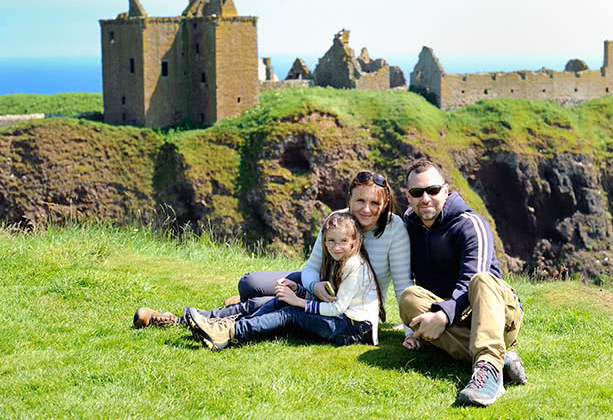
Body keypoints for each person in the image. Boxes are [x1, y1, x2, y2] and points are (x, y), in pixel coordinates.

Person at [134, 171, 413, 337]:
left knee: (265, 304)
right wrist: (313, 285)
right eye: (360, 200)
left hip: (347, 304)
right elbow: (311, 267)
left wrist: (410, 332)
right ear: (349, 199)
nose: (366, 209)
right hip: (320, 288)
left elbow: (403, 286)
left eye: (374, 202)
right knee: (249, 284)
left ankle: (181, 319)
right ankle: (204, 315)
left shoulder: (394, 228)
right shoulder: (338, 220)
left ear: (385, 203)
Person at [398, 159, 526, 407]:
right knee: (409, 298)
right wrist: (413, 330)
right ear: (408, 196)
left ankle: (489, 369)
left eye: (433, 190)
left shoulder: (470, 224)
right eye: (417, 192)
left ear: (445, 190)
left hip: (493, 312)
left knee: (482, 279)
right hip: (452, 316)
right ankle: (501, 360)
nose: (425, 198)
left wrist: (442, 316)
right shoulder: (409, 226)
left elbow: (473, 279)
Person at [182, 212, 384, 350]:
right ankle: (226, 326)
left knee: (290, 314)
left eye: (343, 241)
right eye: (331, 241)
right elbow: (330, 298)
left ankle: (230, 332)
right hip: (342, 318)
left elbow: (337, 308)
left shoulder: (354, 267)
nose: (336, 247)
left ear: (354, 242)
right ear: (324, 241)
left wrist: (298, 301)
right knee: (282, 300)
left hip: (354, 329)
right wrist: (298, 289)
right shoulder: (338, 259)